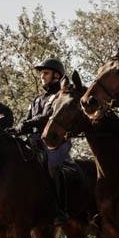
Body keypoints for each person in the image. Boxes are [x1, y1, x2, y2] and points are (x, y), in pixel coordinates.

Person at [16, 58, 74, 222]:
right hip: (35, 140)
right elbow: (28, 119)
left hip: (55, 142)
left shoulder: (60, 96)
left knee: (52, 165)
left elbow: (47, 117)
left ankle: (59, 209)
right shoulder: (37, 99)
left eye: (45, 73)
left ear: (57, 76)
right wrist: (17, 128)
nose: (42, 76)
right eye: (41, 73)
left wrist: (27, 124)